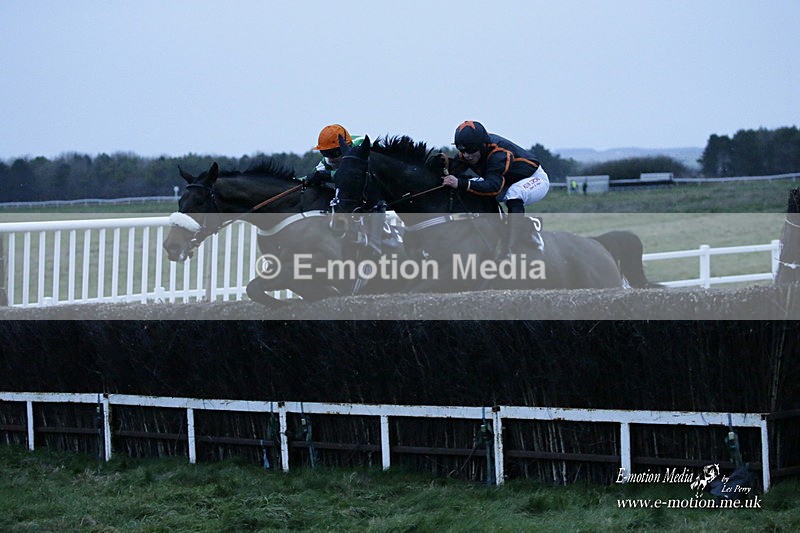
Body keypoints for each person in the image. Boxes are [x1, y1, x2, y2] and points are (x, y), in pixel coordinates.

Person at [441, 120, 549, 254]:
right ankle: (496, 227)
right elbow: (453, 171)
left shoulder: (499, 154)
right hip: (505, 181)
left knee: (514, 194)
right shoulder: (468, 152)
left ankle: (512, 246)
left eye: (471, 150)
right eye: (462, 150)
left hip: (533, 178)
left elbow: (494, 188)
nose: (467, 155)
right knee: (473, 186)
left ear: (483, 145)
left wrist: (461, 183)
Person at [303, 124, 364, 188]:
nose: (330, 159)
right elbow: (310, 177)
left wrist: (327, 175)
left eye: (334, 153)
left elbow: (354, 175)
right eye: (325, 153)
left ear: (346, 147)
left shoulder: (362, 146)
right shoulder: (327, 161)